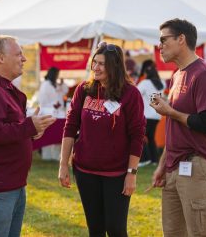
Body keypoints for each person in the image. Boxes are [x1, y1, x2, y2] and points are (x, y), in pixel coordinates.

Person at [0, 35, 56, 237]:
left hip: (9, 184)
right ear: (0, 57)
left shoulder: (1, 87)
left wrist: (30, 132)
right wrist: (27, 127)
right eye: (18, 54)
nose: (23, 59)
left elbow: (7, 128)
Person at [59, 41, 146, 237]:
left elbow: (137, 136)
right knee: (95, 229)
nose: (95, 68)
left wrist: (131, 173)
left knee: (116, 229)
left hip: (116, 174)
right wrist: (63, 164)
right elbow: (70, 126)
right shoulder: (84, 90)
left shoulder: (130, 94)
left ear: (114, 66)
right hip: (85, 171)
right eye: (94, 62)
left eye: (101, 64)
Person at [149, 19, 206, 237]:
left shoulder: (205, 74)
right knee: (172, 233)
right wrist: (163, 165)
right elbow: (175, 129)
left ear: (181, 39)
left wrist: (170, 112)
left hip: (197, 165)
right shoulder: (177, 75)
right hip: (174, 167)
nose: (159, 45)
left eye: (163, 39)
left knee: (200, 233)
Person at [136, 60, 165, 167]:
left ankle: (145, 159)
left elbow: (136, 94)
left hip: (146, 115)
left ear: (147, 73)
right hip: (157, 115)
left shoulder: (144, 83)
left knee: (139, 137)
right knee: (151, 138)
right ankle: (154, 160)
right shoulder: (162, 83)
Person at [38, 67, 62, 160]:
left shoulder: (52, 84)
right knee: (48, 136)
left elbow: (56, 98)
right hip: (47, 113)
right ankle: (47, 157)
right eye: (57, 75)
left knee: (55, 135)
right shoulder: (45, 85)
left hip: (54, 113)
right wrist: (54, 106)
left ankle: (55, 156)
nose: (57, 77)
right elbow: (43, 101)